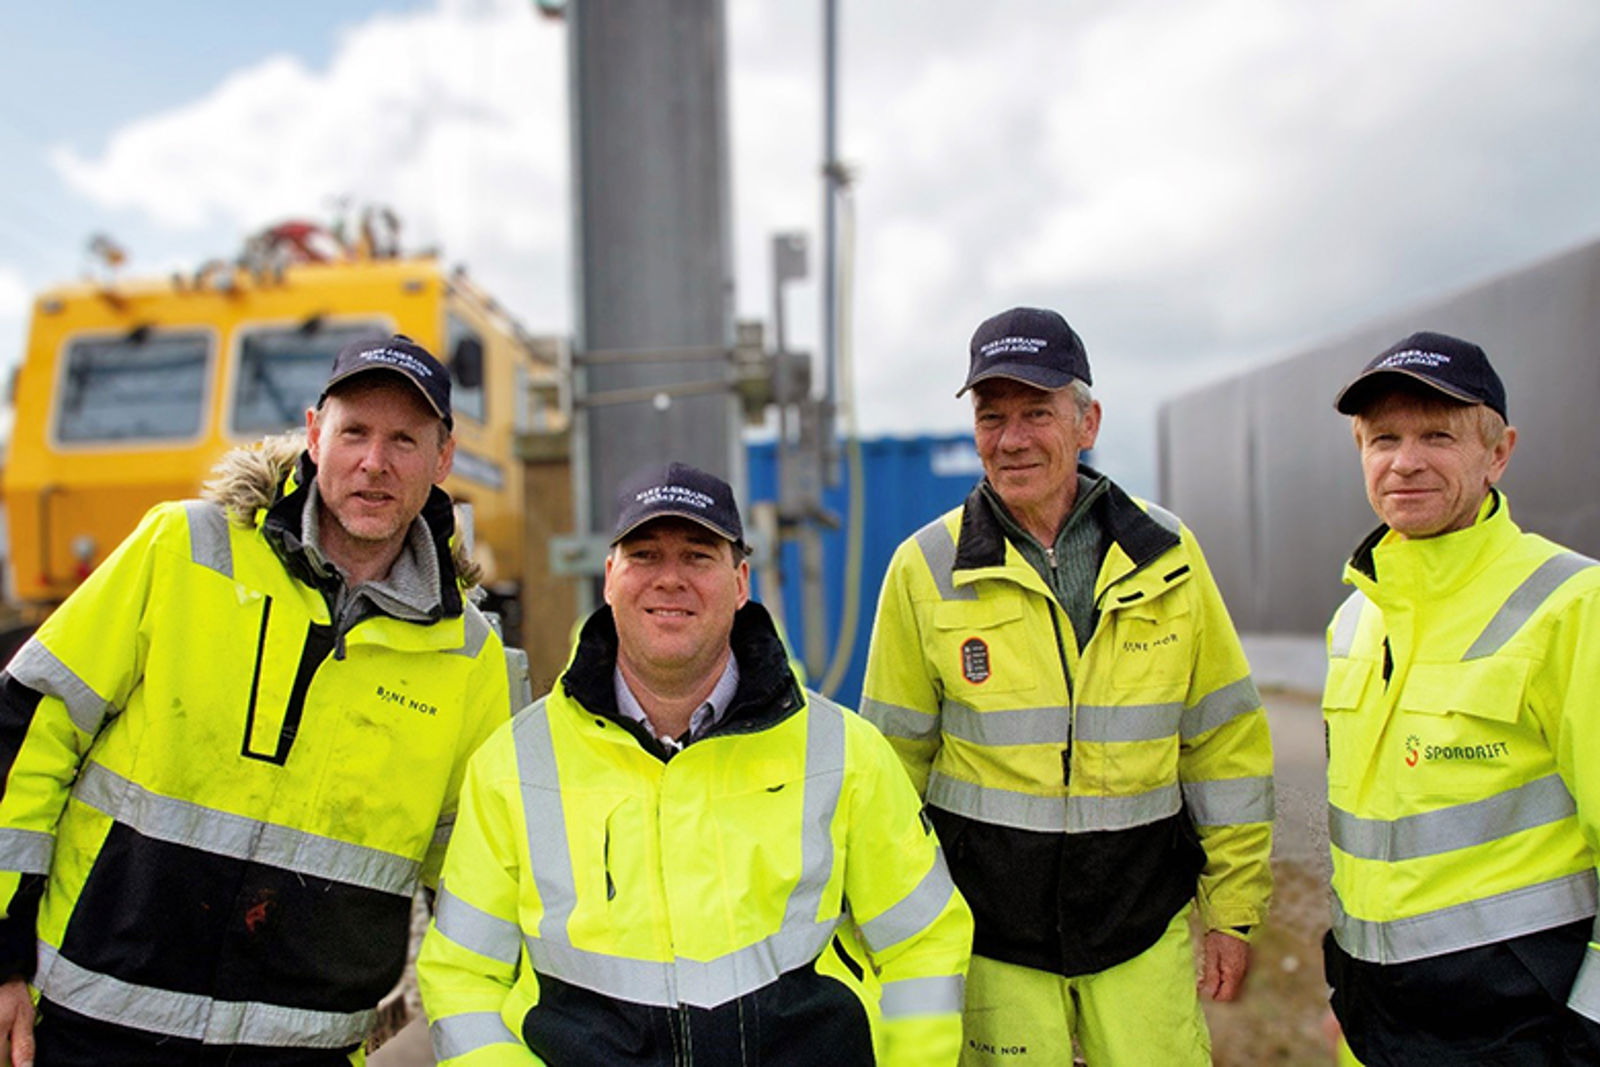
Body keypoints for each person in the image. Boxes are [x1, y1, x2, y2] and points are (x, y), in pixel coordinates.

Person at [0, 334, 511, 1064]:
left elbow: (476, 878)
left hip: (302, 1049)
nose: (375, 461)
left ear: (442, 460)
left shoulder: (468, 656)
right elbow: (28, 734)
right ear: (314, 435)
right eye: (355, 432)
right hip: (93, 1025)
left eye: (404, 439)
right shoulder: (179, 549)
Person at [417, 461, 974, 1065]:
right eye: (645, 556)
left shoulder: (844, 753)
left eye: (697, 556)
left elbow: (923, 944)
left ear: (740, 582)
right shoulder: (513, 765)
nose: (670, 579)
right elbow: (463, 980)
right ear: (610, 578)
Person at [861, 307, 1275, 1065]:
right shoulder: (924, 569)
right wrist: (890, 931)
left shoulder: (1168, 556)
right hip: (989, 936)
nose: (1012, 438)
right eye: (992, 417)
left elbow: (1224, 745)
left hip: (1140, 924)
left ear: (1088, 423)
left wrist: (1233, 907)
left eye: (1036, 413)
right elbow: (889, 772)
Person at [1321, 331, 1600, 1064]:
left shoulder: (1573, 604)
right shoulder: (1355, 619)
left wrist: (1590, 1033)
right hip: (1375, 1025)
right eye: (1384, 438)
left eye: (1437, 436)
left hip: (1519, 1033)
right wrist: (1348, 993)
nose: (1405, 461)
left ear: (1498, 452)